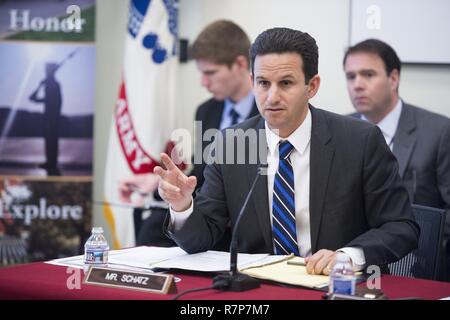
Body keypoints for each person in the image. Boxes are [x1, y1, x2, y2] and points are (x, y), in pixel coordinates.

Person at [154, 27, 419, 275]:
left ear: (311, 86)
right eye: (263, 83)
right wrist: (182, 206)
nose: (272, 97)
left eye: (286, 83)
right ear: (252, 81)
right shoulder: (229, 144)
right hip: (258, 290)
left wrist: (348, 256)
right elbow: (201, 239)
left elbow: (401, 227)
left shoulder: (360, 141)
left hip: (334, 284)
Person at [119, 20, 258, 246]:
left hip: (247, 220)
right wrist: (157, 183)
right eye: (201, 73)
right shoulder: (206, 111)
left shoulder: (269, 112)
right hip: (208, 212)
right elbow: (201, 173)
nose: (204, 83)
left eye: (210, 73)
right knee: (154, 228)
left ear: (241, 64)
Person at [343, 38, 450, 279]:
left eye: (368, 75)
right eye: (351, 77)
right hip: (351, 267)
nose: (357, 85)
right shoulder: (338, 132)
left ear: (393, 78)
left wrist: (431, 259)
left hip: (418, 268)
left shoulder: (439, 131)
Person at [29, 63, 62, 176]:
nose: (45, 72)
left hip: (52, 116)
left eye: (46, 70)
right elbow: (35, 98)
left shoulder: (54, 85)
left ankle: (52, 163)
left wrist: (54, 115)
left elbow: (54, 101)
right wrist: (39, 87)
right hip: (49, 116)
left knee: (52, 140)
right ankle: (50, 162)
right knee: (49, 140)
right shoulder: (48, 84)